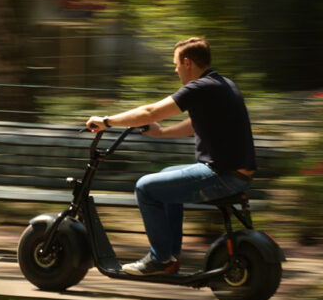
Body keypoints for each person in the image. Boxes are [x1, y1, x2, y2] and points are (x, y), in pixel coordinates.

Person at [86, 37, 257, 275]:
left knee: (145, 188)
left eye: (176, 64)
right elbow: (195, 124)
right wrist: (162, 133)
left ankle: (159, 259)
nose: (176, 70)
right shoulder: (221, 84)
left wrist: (106, 122)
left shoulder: (200, 87)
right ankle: (170, 257)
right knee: (166, 176)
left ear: (187, 62)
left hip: (223, 175)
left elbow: (151, 111)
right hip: (234, 172)